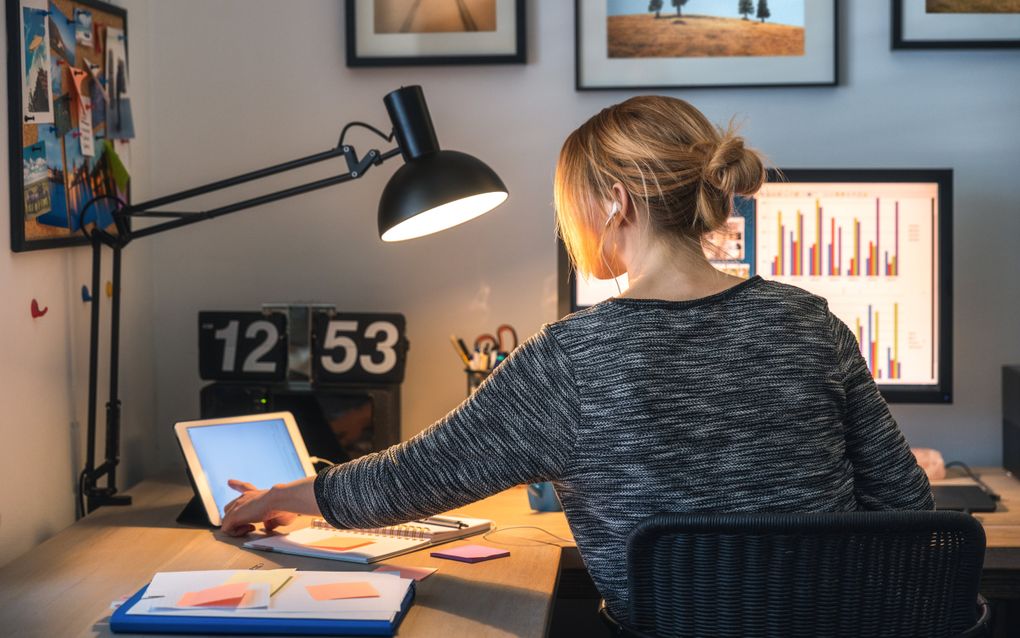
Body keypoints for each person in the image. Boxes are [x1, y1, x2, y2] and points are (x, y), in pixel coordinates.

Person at [221, 96, 933, 618]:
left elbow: (408, 481)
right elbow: (908, 505)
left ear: (615, 201)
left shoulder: (572, 359)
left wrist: (285, 497)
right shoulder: (810, 323)